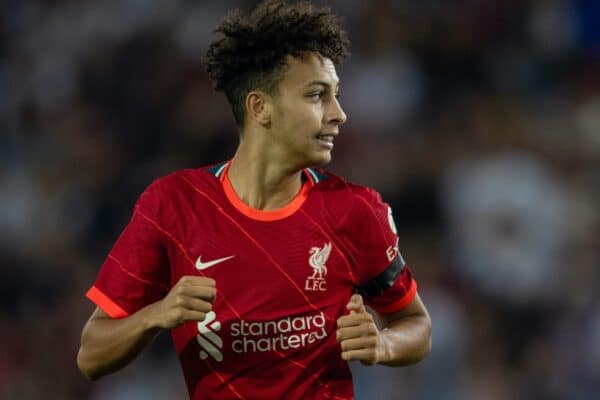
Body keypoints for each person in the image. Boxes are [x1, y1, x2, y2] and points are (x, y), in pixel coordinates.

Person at [77, 1, 432, 398]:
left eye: (336, 95)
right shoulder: (174, 205)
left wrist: (383, 345)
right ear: (260, 107)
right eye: (317, 96)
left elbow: (416, 325)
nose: (339, 114)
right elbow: (91, 355)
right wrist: (156, 316)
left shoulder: (354, 209)